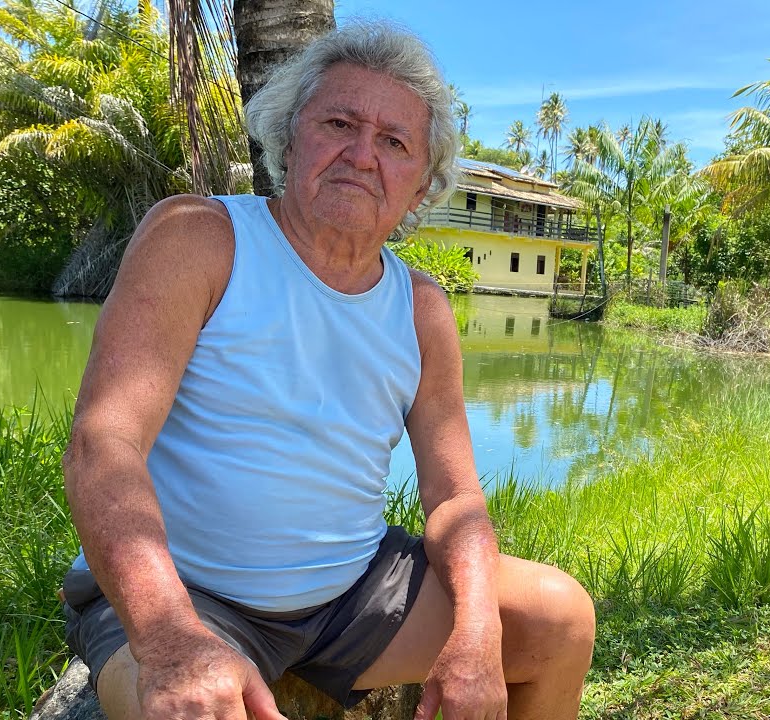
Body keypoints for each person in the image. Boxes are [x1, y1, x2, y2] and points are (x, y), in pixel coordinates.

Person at [60, 21, 595, 720]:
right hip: (189, 593)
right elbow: (104, 445)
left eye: (394, 142)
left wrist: (477, 629)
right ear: (288, 136)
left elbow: (455, 496)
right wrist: (168, 635)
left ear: (422, 186)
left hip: (352, 596)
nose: (361, 155)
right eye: (339, 122)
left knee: (560, 621)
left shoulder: (421, 308)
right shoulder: (198, 238)